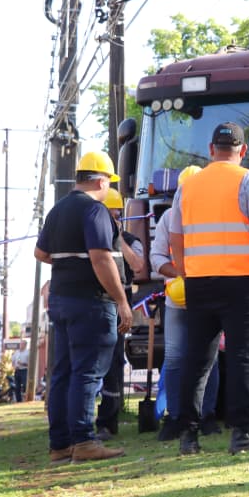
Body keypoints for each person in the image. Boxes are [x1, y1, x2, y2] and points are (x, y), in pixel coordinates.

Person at [170, 122, 249, 456]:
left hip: (200, 284)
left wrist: (187, 273)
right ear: (243, 151)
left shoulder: (187, 186)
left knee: (197, 360)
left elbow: (176, 239)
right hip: (241, 284)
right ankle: (241, 433)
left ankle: (188, 436)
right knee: (241, 359)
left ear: (210, 149)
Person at [34, 151, 132, 465]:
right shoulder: (95, 210)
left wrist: (69, 259)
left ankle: (60, 443)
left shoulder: (58, 210)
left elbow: (41, 252)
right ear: (101, 180)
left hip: (61, 301)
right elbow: (101, 258)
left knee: (63, 372)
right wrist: (121, 300)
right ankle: (84, 440)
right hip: (91, 302)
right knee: (87, 373)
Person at [149, 166, 221, 441]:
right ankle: (176, 417)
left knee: (210, 358)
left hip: (209, 296)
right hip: (178, 298)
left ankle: (207, 416)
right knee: (176, 356)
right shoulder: (168, 219)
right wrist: (181, 274)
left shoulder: (215, 218)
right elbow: (156, 257)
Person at [95, 188, 146, 439]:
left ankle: (108, 420)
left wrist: (118, 238)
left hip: (119, 307)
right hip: (94, 304)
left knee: (114, 362)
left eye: (114, 214)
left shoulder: (130, 239)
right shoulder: (92, 238)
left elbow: (137, 265)